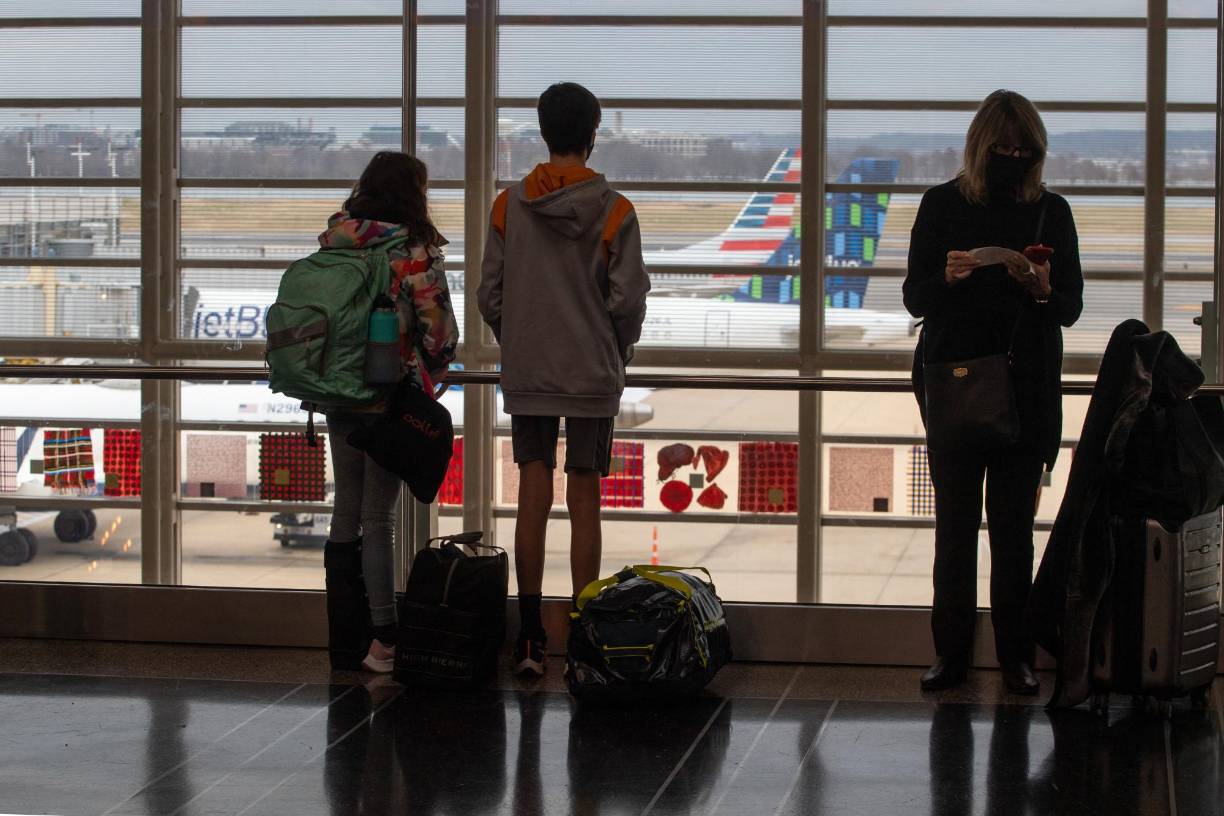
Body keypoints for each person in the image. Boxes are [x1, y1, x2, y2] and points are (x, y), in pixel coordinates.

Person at [903, 89, 1084, 694]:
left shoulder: (1051, 212)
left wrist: (1039, 287)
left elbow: (1069, 308)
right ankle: (950, 655)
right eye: (1003, 147)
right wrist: (950, 276)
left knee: (1013, 535)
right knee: (953, 530)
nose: (1013, 157)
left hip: (1027, 388)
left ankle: (1017, 657)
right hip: (956, 385)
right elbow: (915, 298)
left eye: (1023, 150)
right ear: (981, 147)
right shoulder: (940, 205)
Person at [478, 82, 651, 677]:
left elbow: (489, 295)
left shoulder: (508, 205)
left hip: (530, 372)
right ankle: (585, 634)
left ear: (543, 131)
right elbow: (627, 300)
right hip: (591, 374)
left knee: (532, 492)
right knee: (584, 500)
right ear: (593, 132)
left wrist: (523, 340)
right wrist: (612, 349)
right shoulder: (616, 208)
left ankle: (528, 637)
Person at [322, 151, 459, 673]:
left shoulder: (337, 237)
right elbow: (439, 333)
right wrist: (437, 363)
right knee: (377, 516)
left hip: (335, 389)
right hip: (387, 394)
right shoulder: (411, 248)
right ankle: (383, 640)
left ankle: (344, 640)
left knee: (346, 509)